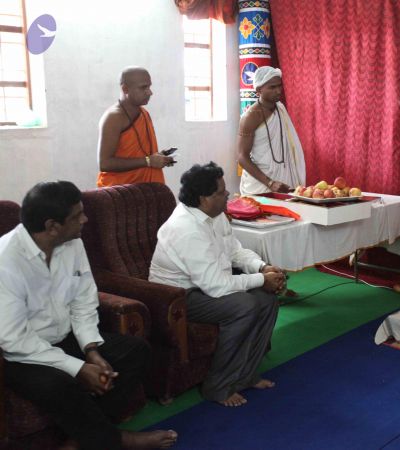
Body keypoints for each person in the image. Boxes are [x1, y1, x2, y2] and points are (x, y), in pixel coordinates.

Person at [0, 181, 177, 450]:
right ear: (52, 226)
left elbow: (83, 299)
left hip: (64, 337)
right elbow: (14, 339)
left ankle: (80, 442)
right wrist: (78, 368)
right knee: (58, 384)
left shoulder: (72, 243)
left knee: (135, 352)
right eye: (77, 215)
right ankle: (117, 440)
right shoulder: (6, 260)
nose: (85, 219)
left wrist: (91, 349)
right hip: (21, 354)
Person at [149, 162, 286, 407]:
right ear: (204, 198)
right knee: (245, 305)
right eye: (221, 192)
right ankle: (217, 386)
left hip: (205, 285)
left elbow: (235, 251)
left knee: (267, 300)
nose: (228, 195)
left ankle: (245, 376)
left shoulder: (215, 215)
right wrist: (261, 280)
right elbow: (216, 286)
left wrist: (262, 268)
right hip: (177, 297)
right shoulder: (186, 228)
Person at [97, 66, 175, 187]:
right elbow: (105, 163)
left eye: (149, 87)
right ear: (125, 89)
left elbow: (142, 154)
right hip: (120, 192)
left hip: (148, 189)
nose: (150, 92)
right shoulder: (113, 118)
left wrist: (158, 157)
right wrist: (148, 161)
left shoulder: (144, 113)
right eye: (143, 87)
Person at [237, 66, 306, 196]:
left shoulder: (280, 108)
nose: (278, 91)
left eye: (279, 86)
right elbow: (242, 157)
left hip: (284, 180)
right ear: (259, 90)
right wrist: (270, 183)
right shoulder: (250, 117)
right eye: (272, 87)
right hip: (261, 184)